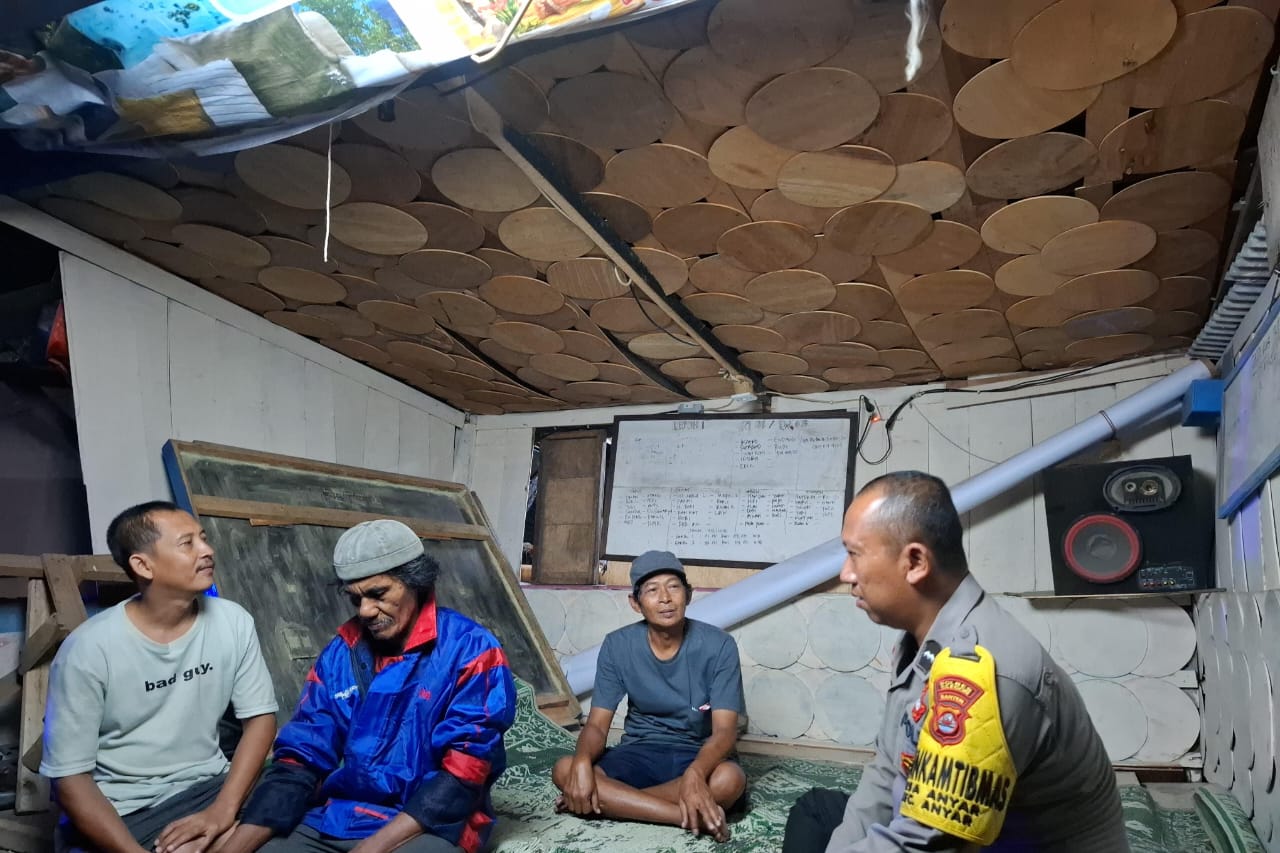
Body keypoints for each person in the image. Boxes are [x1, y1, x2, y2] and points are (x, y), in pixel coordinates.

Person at [783, 471, 1129, 853]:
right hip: (934, 818)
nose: (845, 573)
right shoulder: (923, 638)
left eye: (855, 554)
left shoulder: (982, 673)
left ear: (915, 561)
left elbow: (929, 846)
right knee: (816, 812)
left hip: (999, 845)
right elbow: (887, 769)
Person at [219, 519, 517, 853]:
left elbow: (463, 774)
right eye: (355, 598)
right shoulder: (340, 655)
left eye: (378, 594)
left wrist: (370, 849)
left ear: (416, 582)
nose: (365, 611)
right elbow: (301, 758)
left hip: (430, 822)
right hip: (341, 816)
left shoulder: (472, 650)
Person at [42, 501, 279, 853]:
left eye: (203, 538)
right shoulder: (88, 649)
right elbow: (70, 779)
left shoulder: (233, 621)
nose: (207, 550)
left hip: (212, 787)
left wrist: (221, 813)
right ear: (143, 565)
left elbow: (260, 720)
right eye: (187, 543)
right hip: (130, 809)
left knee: (303, 780)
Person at [552, 550, 746, 843]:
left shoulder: (719, 646)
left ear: (688, 594)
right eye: (652, 590)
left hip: (697, 753)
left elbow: (724, 733)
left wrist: (695, 774)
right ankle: (679, 815)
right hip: (639, 751)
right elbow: (597, 727)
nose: (665, 598)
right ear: (636, 603)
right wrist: (581, 762)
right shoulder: (618, 645)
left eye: (673, 587)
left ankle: (613, 802)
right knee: (565, 769)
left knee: (729, 780)